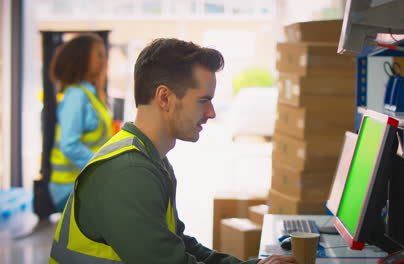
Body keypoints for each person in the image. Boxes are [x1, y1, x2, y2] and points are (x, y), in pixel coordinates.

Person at [49, 38, 296, 264]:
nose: (211, 113)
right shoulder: (128, 173)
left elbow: (177, 246)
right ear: (164, 98)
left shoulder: (151, 159)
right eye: (203, 100)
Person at [48, 33, 112, 212]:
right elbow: (69, 145)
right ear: (82, 58)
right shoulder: (77, 96)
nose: (103, 60)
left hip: (82, 182)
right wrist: (105, 163)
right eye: (98, 54)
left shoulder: (90, 94)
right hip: (70, 186)